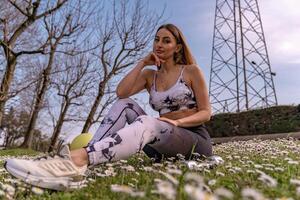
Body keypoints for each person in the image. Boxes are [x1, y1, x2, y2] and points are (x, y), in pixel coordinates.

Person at [4, 24, 212, 191]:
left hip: (193, 142)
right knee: (125, 104)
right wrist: (142, 63)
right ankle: (81, 164)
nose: (159, 44)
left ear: (177, 47)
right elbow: (122, 93)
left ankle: (75, 160)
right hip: (160, 146)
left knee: (149, 122)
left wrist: (176, 121)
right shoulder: (150, 76)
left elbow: (206, 113)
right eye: (156, 39)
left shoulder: (191, 71)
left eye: (166, 40)